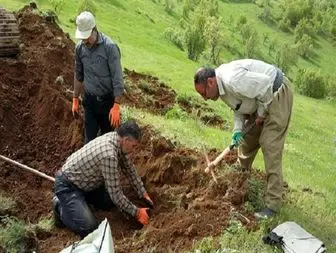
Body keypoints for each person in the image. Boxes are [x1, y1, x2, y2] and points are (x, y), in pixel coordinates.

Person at [194, 59, 293, 219]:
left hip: (275, 93)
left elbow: (265, 84)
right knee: (246, 143)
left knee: (269, 145)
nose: (204, 98)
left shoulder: (232, 79)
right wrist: (237, 130)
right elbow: (239, 107)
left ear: (211, 82)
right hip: (260, 98)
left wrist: (261, 113)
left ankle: (272, 207)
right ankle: (238, 182)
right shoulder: (221, 89)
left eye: (203, 93)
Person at [52, 120, 153, 237]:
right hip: (68, 186)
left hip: (87, 183)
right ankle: (59, 206)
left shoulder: (116, 139)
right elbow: (116, 194)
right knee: (89, 227)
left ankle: (81, 203)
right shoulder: (109, 155)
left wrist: (143, 193)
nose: (134, 149)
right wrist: (137, 213)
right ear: (126, 140)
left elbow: (129, 169)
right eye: (134, 146)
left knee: (108, 202)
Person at [72, 11, 124, 143]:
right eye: (82, 38)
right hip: (89, 102)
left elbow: (117, 78)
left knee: (107, 143)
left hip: (107, 103)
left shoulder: (110, 48)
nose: (85, 41)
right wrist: (75, 98)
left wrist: (116, 104)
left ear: (94, 29)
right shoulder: (80, 49)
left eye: (87, 37)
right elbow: (79, 75)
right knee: (88, 142)